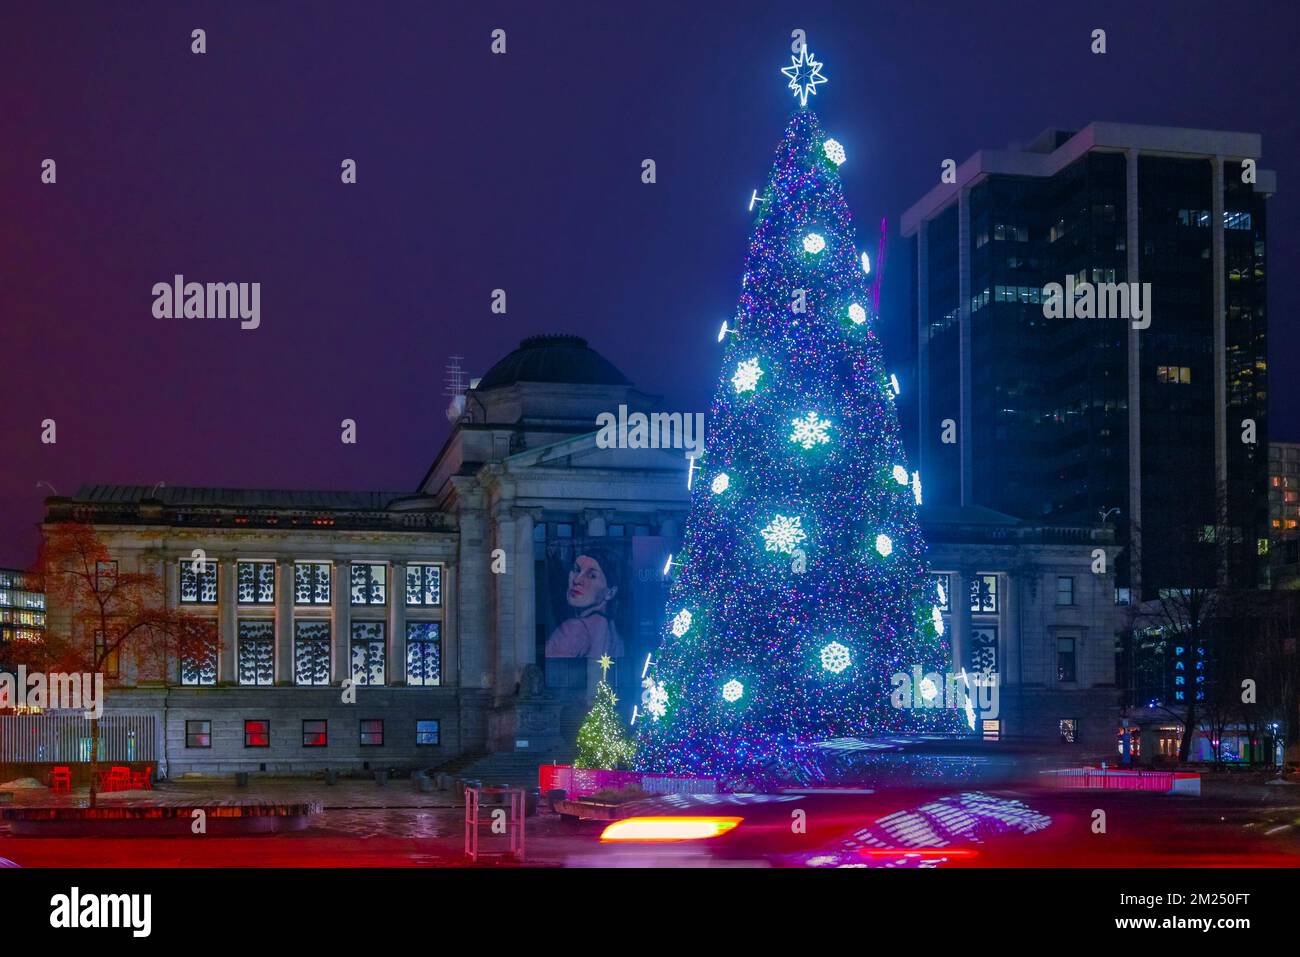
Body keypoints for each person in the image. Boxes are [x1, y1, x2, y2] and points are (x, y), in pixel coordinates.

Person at [544, 550, 624, 659]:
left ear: (610, 593)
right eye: (576, 570)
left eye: (591, 576)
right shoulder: (613, 632)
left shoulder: (573, 629)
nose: (577, 580)